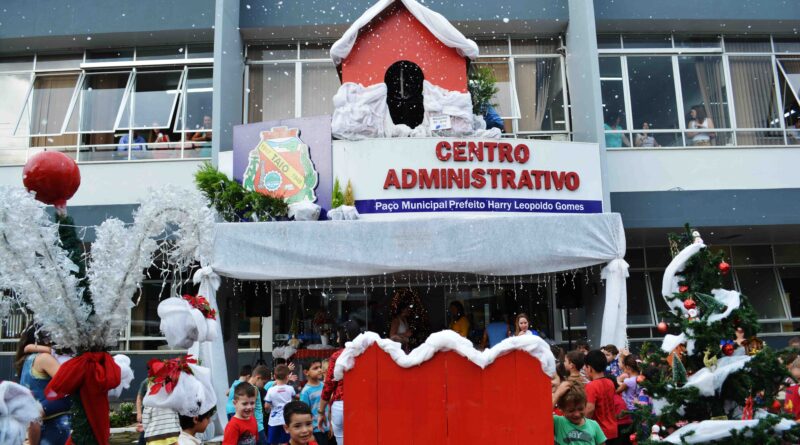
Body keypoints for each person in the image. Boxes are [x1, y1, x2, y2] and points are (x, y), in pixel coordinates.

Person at [16, 326, 71, 445]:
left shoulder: (27, 360)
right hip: (55, 424)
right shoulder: (44, 358)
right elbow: (69, 383)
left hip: (41, 424)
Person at [319, 320, 360, 445]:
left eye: (338, 336)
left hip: (340, 406)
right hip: (360, 406)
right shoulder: (364, 354)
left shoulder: (337, 356)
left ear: (344, 337)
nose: (337, 340)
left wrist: (321, 412)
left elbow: (328, 386)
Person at [584, 350, 618, 443]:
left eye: (585, 367)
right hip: (613, 430)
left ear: (590, 368)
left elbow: (589, 409)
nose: (585, 370)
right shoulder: (610, 382)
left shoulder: (591, 386)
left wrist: (582, 426)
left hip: (600, 433)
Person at [265, 364, 296, 445]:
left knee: (273, 442)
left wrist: (269, 409)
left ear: (275, 376)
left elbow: (266, 406)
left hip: (274, 421)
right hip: (286, 421)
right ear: (287, 377)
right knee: (286, 442)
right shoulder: (290, 389)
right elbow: (295, 399)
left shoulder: (271, 390)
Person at [299, 360, 328, 445]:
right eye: (315, 368)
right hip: (316, 430)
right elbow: (304, 413)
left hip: (328, 428)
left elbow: (329, 407)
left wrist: (332, 426)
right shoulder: (306, 392)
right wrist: (310, 433)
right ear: (306, 372)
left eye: (320, 367)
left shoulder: (324, 386)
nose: (319, 370)